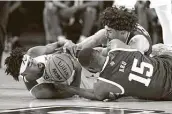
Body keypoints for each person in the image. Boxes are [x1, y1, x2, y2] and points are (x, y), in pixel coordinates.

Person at [58, 39, 172, 101]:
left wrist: (68, 88)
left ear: (91, 69)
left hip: (168, 91)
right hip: (168, 61)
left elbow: (96, 95)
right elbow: (105, 50)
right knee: (157, 48)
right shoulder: (116, 44)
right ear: (97, 52)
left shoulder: (103, 84)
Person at [4, 41, 86, 99]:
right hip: (83, 84)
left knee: (95, 40)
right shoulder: (39, 90)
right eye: (29, 64)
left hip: (79, 56)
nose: (33, 61)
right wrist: (78, 70)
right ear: (24, 74)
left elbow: (59, 44)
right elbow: (71, 93)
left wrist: (67, 43)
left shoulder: (33, 52)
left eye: (30, 59)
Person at [63, 6, 152, 57]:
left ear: (122, 32)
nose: (106, 33)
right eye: (106, 29)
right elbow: (82, 46)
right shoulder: (111, 31)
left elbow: (130, 66)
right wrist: (74, 48)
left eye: (109, 31)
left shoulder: (138, 41)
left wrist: (101, 52)